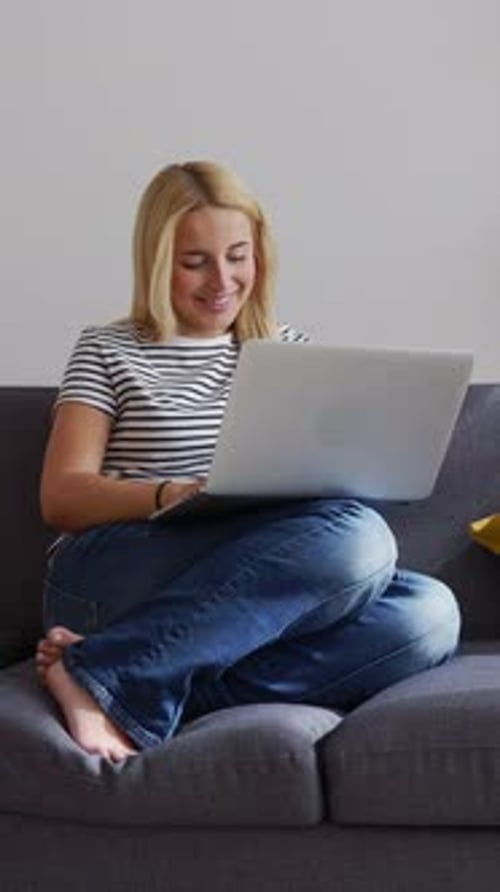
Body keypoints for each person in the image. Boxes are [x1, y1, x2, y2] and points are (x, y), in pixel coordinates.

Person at [37, 160, 461, 762]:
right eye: (195, 262)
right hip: (116, 569)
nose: (222, 280)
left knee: (428, 614)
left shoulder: (287, 354)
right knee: (359, 539)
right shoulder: (107, 350)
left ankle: (116, 674)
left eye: (238, 255)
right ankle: (128, 672)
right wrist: (172, 493)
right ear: (157, 262)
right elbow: (63, 496)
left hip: (257, 577)